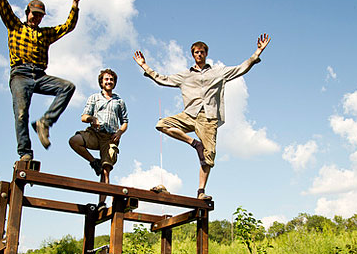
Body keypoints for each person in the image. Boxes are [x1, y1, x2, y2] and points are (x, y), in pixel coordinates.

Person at [133, 34, 271, 200]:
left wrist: (258, 52)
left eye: (202, 52)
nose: (199, 55)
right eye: (196, 52)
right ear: (193, 55)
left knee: (209, 156)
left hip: (208, 117)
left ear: (206, 54)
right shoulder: (185, 75)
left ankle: (200, 192)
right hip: (189, 114)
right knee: (161, 124)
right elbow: (163, 79)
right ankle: (194, 143)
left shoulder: (219, 73)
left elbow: (241, 68)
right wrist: (144, 66)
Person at [0, 0, 83, 161]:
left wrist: (75, 4)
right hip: (20, 74)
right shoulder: (15, 26)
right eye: (33, 14)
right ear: (27, 13)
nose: (36, 18)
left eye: (39, 16)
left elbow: (67, 26)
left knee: (67, 87)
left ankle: (44, 122)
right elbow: (1, 2)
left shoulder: (45, 34)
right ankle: (25, 153)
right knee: (21, 114)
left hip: (40, 76)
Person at [69, 69, 128, 209]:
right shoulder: (94, 98)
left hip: (110, 138)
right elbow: (83, 117)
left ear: (114, 83)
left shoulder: (119, 101)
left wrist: (119, 132)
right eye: (106, 79)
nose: (109, 82)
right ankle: (93, 162)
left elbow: (125, 121)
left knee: (106, 168)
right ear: (101, 82)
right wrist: (92, 118)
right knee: (74, 141)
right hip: (95, 133)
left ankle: (101, 203)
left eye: (111, 80)